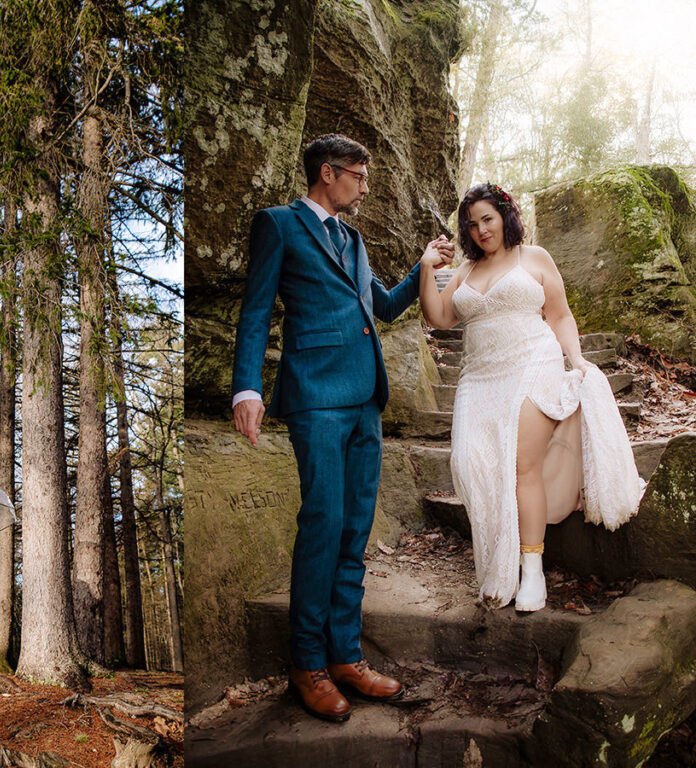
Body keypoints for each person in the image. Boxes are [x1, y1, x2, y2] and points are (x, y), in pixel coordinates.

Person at [231, 133, 454, 722]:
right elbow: (255, 310)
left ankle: (345, 656)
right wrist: (247, 387)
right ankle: (305, 663)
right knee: (324, 522)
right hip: (314, 397)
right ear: (328, 172)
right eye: (359, 173)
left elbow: (381, 306)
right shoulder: (278, 225)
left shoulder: (353, 239)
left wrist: (423, 267)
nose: (364, 183)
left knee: (355, 528)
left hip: (365, 399)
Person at [418, 182, 644, 612]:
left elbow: (559, 314)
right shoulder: (464, 271)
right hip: (479, 377)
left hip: (531, 365)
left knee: (522, 465)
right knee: (467, 463)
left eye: (488, 218)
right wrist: (427, 267)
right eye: (472, 224)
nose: (482, 229)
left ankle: (532, 571)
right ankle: (497, 561)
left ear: (505, 215)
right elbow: (440, 317)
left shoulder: (534, 258)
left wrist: (575, 359)